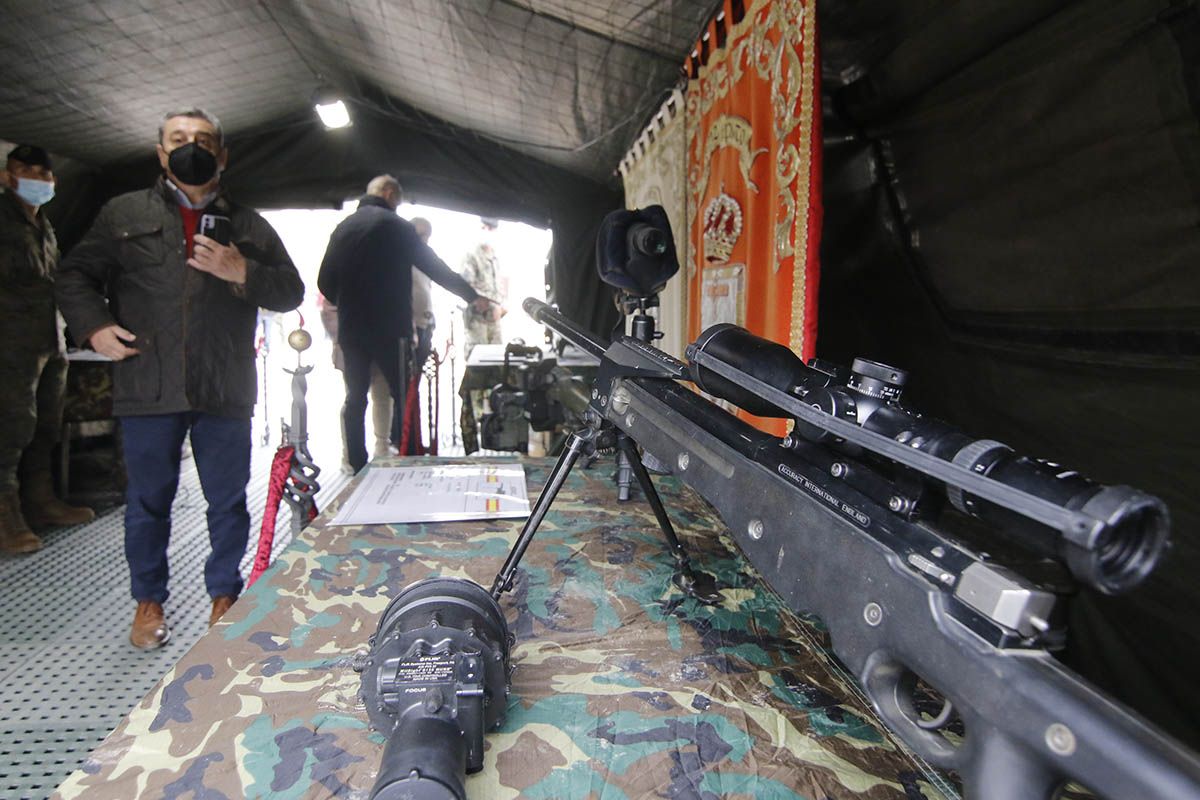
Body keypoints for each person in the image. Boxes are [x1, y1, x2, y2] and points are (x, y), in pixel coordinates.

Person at [55, 108, 304, 649]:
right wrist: (94, 327)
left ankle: (224, 596)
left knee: (227, 499)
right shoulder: (123, 213)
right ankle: (149, 603)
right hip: (149, 378)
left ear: (222, 153)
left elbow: (290, 290)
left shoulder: (249, 226)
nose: (191, 148)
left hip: (224, 383)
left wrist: (244, 271)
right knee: (148, 500)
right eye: (179, 140)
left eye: (203, 140)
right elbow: (74, 273)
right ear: (161, 152)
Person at [317, 176, 490, 472]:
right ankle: (408, 456)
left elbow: (325, 281)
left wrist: (348, 305)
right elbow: (435, 268)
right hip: (391, 329)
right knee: (403, 394)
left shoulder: (343, 228)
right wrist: (472, 296)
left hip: (352, 328)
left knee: (355, 397)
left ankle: (356, 464)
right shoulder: (397, 228)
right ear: (388, 194)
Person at [0, 144, 95, 554]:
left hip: (47, 339)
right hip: (8, 344)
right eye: (25, 170)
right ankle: (6, 519)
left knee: (46, 425)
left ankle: (41, 503)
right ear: (7, 175)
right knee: (10, 430)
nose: (37, 179)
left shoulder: (44, 225)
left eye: (44, 173)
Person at [459, 217, 507, 354]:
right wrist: (492, 307)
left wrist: (502, 305)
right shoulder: (471, 256)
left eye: (491, 228)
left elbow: (498, 285)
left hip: (494, 319)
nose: (488, 231)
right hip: (478, 319)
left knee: (497, 360)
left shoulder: (494, 256)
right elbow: (467, 287)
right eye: (484, 228)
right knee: (478, 360)